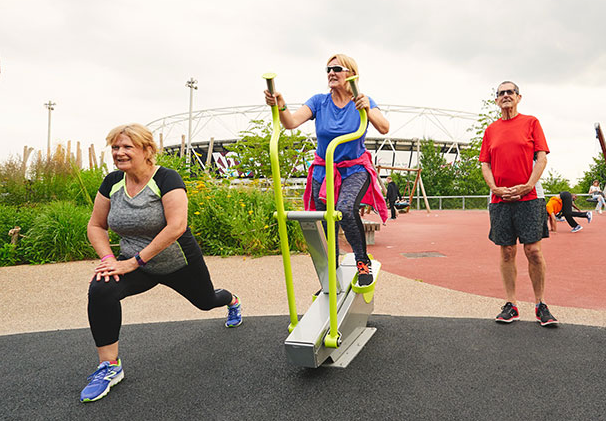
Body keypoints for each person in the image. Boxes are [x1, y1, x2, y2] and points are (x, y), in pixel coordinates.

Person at [82, 123, 242, 403]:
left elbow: (177, 226)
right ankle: (109, 366)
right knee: (101, 289)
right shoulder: (112, 182)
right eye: (115, 147)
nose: (119, 152)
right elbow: (96, 225)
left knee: (206, 301)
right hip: (134, 264)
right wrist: (109, 260)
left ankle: (232, 300)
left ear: (147, 150)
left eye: (127, 147)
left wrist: (134, 262)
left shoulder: (167, 178)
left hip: (177, 261)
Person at [263, 54, 389, 286]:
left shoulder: (363, 100)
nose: (331, 73)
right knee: (324, 223)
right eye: (328, 69)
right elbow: (290, 122)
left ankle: (362, 262)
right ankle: (331, 274)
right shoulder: (319, 102)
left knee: (345, 209)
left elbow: (384, 127)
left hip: (354, 168)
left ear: (351, 74)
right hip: (324, 171)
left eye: (337, 68)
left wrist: (368, 109)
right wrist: (281, 105)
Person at [480, 81, 558, 327]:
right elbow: (485, 164)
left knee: (533, 250)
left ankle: (541, 304)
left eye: (510, 92)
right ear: (496, 100)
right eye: (501, 93)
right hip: (500, 198)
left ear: (518, 97)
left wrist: (528, 185)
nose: (505, 96)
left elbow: (541, 158)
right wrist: (495, 188)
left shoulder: (531, 122)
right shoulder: (491, 130)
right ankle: (511, 304)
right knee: (507, 251)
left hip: (530, 196)